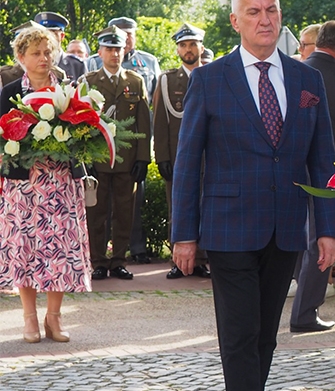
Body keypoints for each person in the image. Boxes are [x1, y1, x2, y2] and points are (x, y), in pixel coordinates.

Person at [171, 0, 335, 391]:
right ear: (235, 21)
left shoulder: (308, 80)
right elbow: (187, 163)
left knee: (266, 333)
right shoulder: (210, 79)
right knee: (240, 330)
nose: (265, 19)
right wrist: (184, 234)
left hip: (286, 226)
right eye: (254, 12)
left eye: (272, 10)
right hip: (227, 228)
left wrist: (327, 228)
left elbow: (322, 159)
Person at [0, 24, 91, 343]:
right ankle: (28, 319)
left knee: (59, 250)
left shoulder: (68, 87)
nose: (43, 57)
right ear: (21, 57)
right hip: (23, 187)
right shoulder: (9, 92)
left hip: (61, 182)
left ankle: (54, 318)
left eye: (48, 51)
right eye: (36, 52)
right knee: (24, 249)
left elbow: (85, 130)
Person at [289, 20, 335, 333]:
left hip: (290, 170)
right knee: (324, 242)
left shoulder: (290, 74)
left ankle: (296, 290)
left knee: (296, 238)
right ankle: (305, 313)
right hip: (334, 175)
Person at [83, 26, 152, 281]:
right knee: (96, 212)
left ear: (125, 50)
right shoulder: (89, 81)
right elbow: (82, 123)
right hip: (98, 159)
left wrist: (144, 157)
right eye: (109, 49)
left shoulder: (135, 81)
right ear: (99, 52)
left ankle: (119, 261)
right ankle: (99, 261)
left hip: (126, 158)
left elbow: (143, 122)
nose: (114, 54)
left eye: (119, 49)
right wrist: (85, 159)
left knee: (125, 212)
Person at [153, 23, 210, 280]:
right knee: (177, 207)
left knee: (207, 207)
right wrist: (162, 158)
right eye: (183, 45)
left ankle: (202, 260)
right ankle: (178, 262)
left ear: (201, 47)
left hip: (210, 158)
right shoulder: (166, 80)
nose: (188, 49)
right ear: (177, 49)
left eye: (193, 44)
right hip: (178, 157)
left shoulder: (213, 75)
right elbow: (160, 123)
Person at [34, 11, 86, 81]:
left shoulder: (77, 65)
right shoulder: (32, 63)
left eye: (53, 34)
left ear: (62, 36)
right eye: (43, 34)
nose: (48, 38)